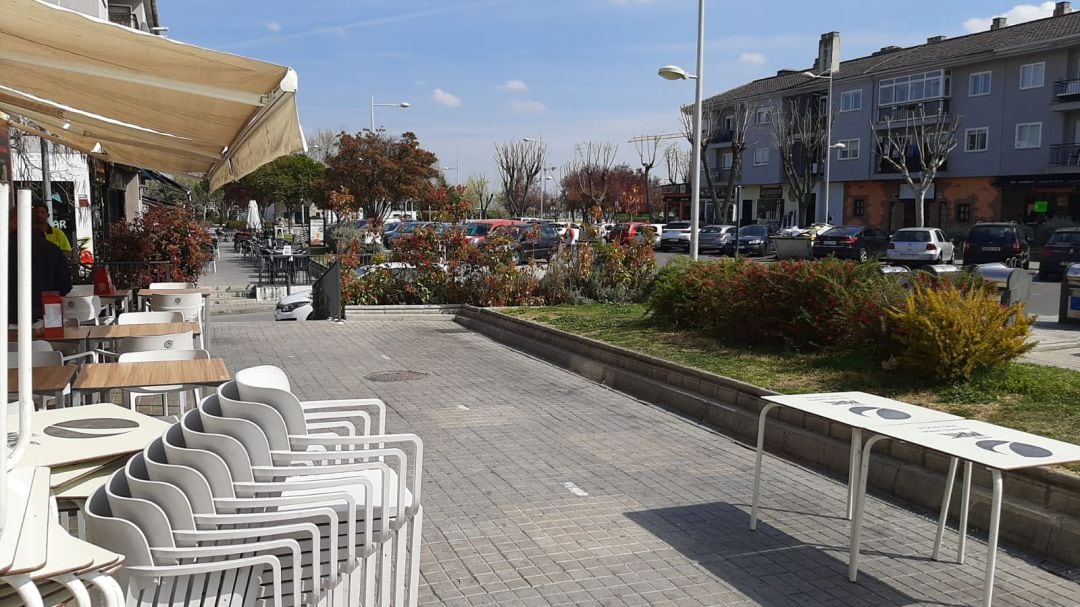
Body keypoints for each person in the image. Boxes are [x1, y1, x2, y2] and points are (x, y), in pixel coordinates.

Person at [8, 205, 73, 322]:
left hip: (7, 316)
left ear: (14, 222)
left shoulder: (5, 249)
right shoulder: (52, 250)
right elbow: (65, 284)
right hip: (46, 316)